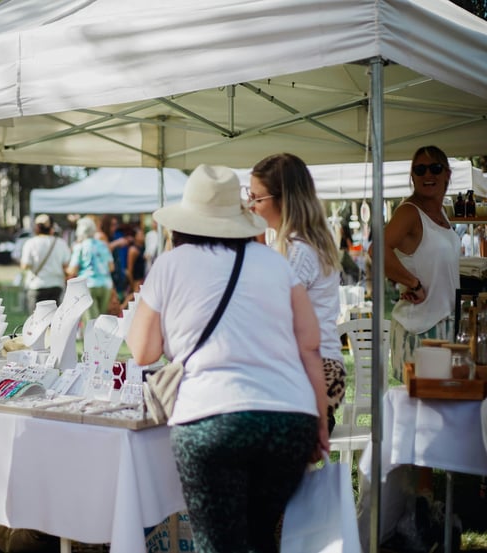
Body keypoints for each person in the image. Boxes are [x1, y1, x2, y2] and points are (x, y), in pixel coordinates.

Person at [127, 164, 329, 553]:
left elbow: (142, 351)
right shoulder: (275, 263)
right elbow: (310, 347)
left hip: (209, 419)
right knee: (259, 537)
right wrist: (319, 419)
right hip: (288, 419)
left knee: (220, 544)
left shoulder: (170, 265)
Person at [248, 153, 345, 434]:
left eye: (257, 198)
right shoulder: (298, 241)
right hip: (311, 365)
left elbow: (273, 317)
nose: (250, 205)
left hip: (313, 372)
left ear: (283, 199)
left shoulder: (298, 249)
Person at [370, 146, 458, 381]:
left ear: (447, 174)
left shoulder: (442, 215)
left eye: (435, 168)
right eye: (420, 170)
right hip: (419, 329)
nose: (427, 175)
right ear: (413, 177)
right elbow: (376, 250)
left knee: (443, 411)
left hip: (444, 326)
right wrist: (412, 283)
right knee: (422, 412)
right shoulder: (409, 212)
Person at [67, 216, 114, 325]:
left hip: (88, 284)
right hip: (106, 284)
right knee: (102, 319)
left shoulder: (80, 247)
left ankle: (91, 341)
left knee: (90, 321)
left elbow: (72, 269)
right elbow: (111, 267)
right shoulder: (103, 245)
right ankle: (101, 341)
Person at [20, 213, 71, 313]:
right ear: (52, 227)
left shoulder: (30, 243)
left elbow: (25, 265)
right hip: (56, 285)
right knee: (53, 321)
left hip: (37, 285)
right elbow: (66, 265)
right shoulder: (61, 243)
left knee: (36, 322)